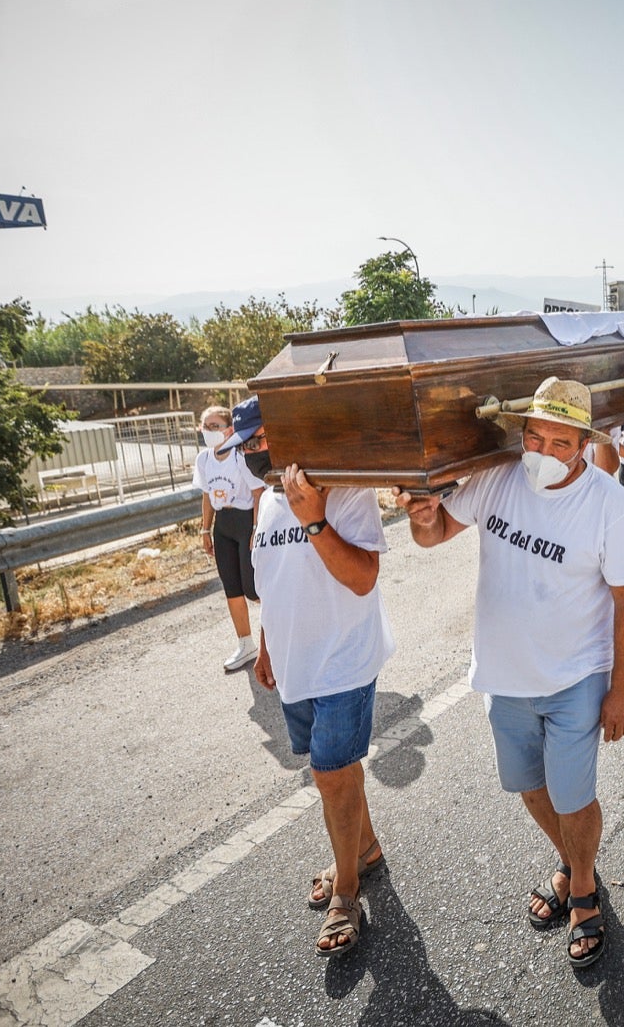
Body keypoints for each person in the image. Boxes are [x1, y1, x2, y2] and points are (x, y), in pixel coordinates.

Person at [398, 377, 624, 971]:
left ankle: (584, 889)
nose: (540, 452)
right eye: (533, 436)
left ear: (584, 446)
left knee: (573, 794)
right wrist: (420, 512)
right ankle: (572, 862)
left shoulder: (608, 504)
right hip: (503, 676)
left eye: (558, 443)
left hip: (575, 677)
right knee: (530, 789)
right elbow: (434, 535)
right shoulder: (498, 475)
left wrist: (623, 690)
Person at [227, 402, 395, 958]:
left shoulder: (344, 489)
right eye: (246, 446)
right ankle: (364, 849)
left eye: (261, 441)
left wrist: (315, 518)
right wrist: (269, 644)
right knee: (337, 772)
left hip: (344, 660)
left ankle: (347, 889)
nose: (254, 454)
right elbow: (272, 581)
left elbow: (363, 578)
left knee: (329, 776)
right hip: (295, 662)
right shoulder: (264, 502)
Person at [193, 403, 268, 671]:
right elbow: (206, 495)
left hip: (246, 520)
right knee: (232, 588)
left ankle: (275, 634)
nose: (210, 431)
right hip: (223, 525)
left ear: (230, 430)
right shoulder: (203, 460)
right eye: (206, 426)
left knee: (253, 588)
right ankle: (246, 643)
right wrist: (205, 529)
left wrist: (257, 529)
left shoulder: (239, 455)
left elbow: (259, 493)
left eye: (216, 426)